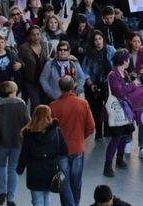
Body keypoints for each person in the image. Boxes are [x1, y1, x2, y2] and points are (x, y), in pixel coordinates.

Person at [50, 76, 95, 206]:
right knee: (76, 181)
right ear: (73, 86)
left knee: (64, 181)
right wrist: (81, 137)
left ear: (59, 87)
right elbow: (91, 127)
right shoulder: (83, 103)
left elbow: (50, 131)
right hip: (78, 147)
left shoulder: (53, 106)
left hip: (61, 150)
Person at [16, 105, 69, 206]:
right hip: (51, 170)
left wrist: (20, 168)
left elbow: (25, 154)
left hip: (34, 172)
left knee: (37, 201)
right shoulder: (57, 131)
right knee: (47, 197)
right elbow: (64, 150)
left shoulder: (29, 135)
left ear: (35, 116)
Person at [0, 81, 29, 206]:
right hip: (17, 142)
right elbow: (28, 123)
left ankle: (2, 193)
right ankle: (11, 198)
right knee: (13, 169)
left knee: (0, 166)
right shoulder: (21, 104)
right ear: (12, 92)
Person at [103, 50, 138, 178]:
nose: (129, 61)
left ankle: (120, 159)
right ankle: (107, 165)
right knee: (116, 138)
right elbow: (119, 91)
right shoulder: (113, 75)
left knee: (124, 135)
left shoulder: (125, 73)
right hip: (117, 110)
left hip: (125, 109)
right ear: (124, 60)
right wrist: (132, 86)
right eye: (128, 59)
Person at [0, 35, 22, 100]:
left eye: (2, 42)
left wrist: (20, 65)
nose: (0, 45)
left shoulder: (11, 53)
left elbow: (21, 63)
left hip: (10, 87)